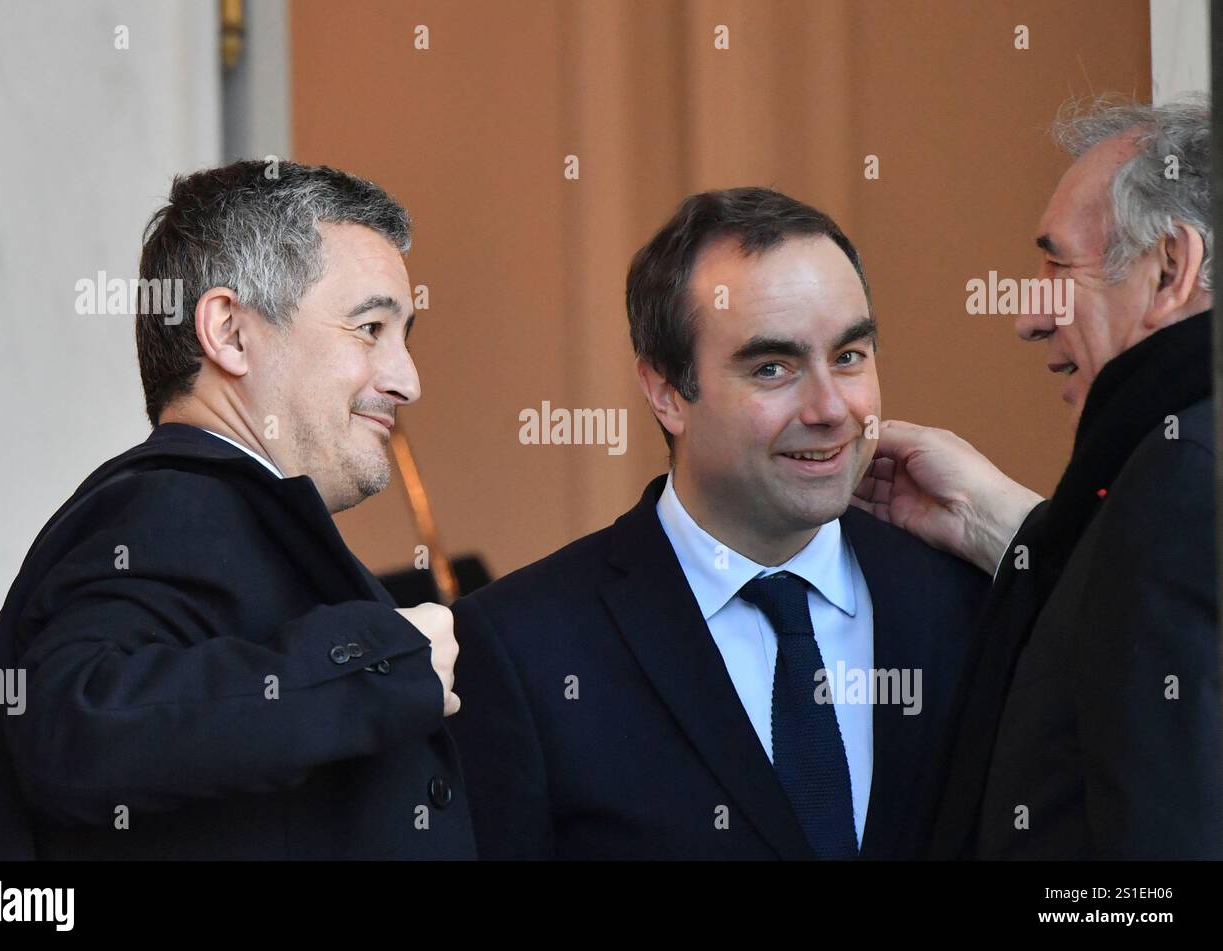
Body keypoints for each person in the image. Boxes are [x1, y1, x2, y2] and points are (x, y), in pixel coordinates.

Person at [0, 160, 473, 859]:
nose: (407, 380)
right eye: (370, 328)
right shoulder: (169, 508)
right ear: (231, 333)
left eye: (406, 337)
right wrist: (380, 662)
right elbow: (76, 725)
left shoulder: (221, 516)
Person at [449, 188, 987, 859]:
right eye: (773, 367)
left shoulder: (965, 598)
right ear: (666, 392)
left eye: (849, 356)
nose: (829, 407)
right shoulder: (523, 646)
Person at [853, 95, 1221, 859]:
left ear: (1171, 271)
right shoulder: (1173, 467)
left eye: (1059, 264)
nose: (1027, 315)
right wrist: (1013, 531)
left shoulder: (1186, 477)